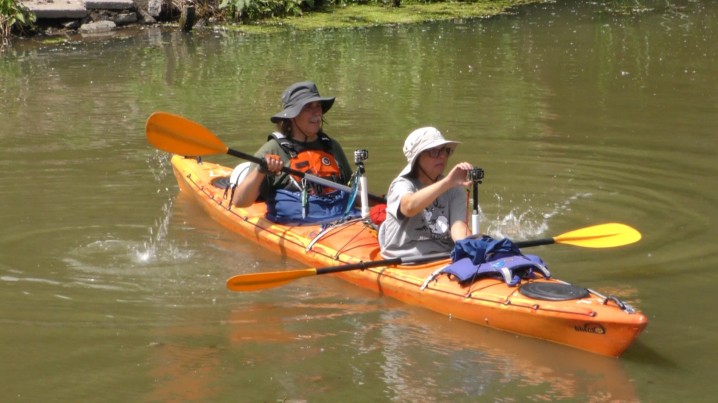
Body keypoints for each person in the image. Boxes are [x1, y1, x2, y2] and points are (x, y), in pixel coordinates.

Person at [231, 81, 356, 224]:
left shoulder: (331, 146)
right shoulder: (272, 150)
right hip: (299, 227)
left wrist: (378, 206)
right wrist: (261, 171)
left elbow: (353, 193)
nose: (317, 113)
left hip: (342, 220)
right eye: (308, 107)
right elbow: (240, 202)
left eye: (318, 106)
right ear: (292, 116)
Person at [378, 127, 474, 259]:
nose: (442, 156)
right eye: (434, 151)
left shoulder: (454, 187)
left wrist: (475, 248)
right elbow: (409, 207)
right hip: (405, 259)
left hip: (443, 257)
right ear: (417, 158)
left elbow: (458, 228)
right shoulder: (401, 184)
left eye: (444, 151)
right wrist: (448, 182)